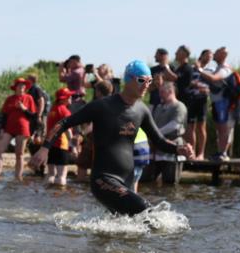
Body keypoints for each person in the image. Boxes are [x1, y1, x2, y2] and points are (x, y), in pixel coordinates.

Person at [31, 60, 193, 216]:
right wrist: (45, 148)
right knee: (146, 211)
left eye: (149, 81)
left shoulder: (142, 110)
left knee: (127, 230)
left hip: (127, 181)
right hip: (103, 180)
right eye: (141, 80)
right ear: (128, 80)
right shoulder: (103, 106)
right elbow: (64, 123)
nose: (146, 85)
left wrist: (179, 149)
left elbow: (159, 141)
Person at [0, 77, 37, 181]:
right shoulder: (9, 99)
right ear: (15, 87)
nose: (22, 87)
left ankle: (18, 177)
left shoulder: (29, 98)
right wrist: (2, 130)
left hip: (23, 128)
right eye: (20, 85)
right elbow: (4, 116)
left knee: (19, 154)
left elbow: (33, 116)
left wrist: (24, 109)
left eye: (23, 85)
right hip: (8, 128)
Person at [146, 83, 187, 185]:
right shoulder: (159, 107)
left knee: (170, 183)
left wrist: (156, 134)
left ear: (170, 92)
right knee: (149, 182)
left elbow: (175, 125)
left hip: (173, 147)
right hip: (157, 149)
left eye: (162, 92)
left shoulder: (179, 106)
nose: (160, 95)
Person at [198, 46, 234, 161]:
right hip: (216, 101)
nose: (214, 55)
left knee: (223, 128)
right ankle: (220, 152)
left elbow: (214, 78)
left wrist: (200, 70)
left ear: (223, 55)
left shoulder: (225, 68)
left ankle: (223, 153)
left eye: (217, 53)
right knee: (219, 128)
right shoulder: (217, 67)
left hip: (223, 101)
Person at [44, 88, 74, 186]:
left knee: (51, 174)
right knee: (61, 176)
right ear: (63, 99)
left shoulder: (52, 109)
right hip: (62, 145)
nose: (71, 97)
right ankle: (60, 197)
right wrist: (73, 146)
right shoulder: (65, 111)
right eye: (69, 96)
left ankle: (48, 195)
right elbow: (67, 129)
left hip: (51, 145)